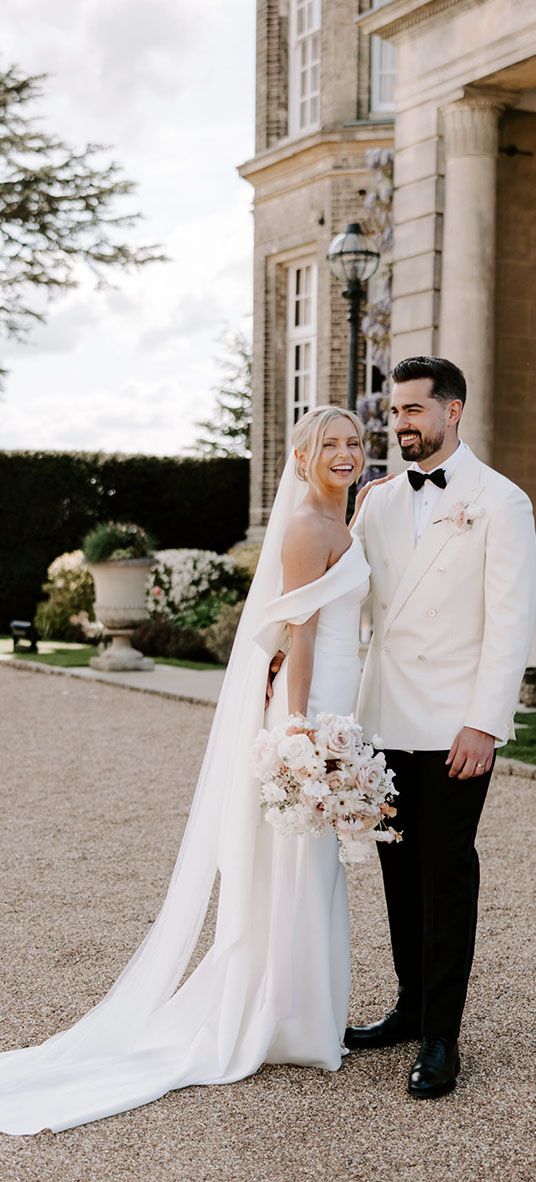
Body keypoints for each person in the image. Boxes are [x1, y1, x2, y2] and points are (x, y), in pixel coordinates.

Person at [0, 405, 382, 1136]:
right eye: (328, 444)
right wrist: (299, 728)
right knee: (299, 865)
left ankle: (301, 1014)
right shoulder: (307, 526)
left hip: (340, 701)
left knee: (314, 865)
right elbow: (296, 635)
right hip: (314, 709)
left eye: (352, 442)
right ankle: (287, 1020)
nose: (344, 453)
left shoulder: (346, 520)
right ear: (301, 458)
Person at [343, 356, 536, 1098]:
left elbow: (511, 622)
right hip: (384, 716)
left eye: (414, 411)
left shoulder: (501, 500)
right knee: (396, 867)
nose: (400, 425)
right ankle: (409, 1005)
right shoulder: (381, 499)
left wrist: (485, 724)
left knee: (445, 872)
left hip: (456, 723)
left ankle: (442, 1037)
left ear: (453, 411)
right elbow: (344, 590)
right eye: (394, 413)